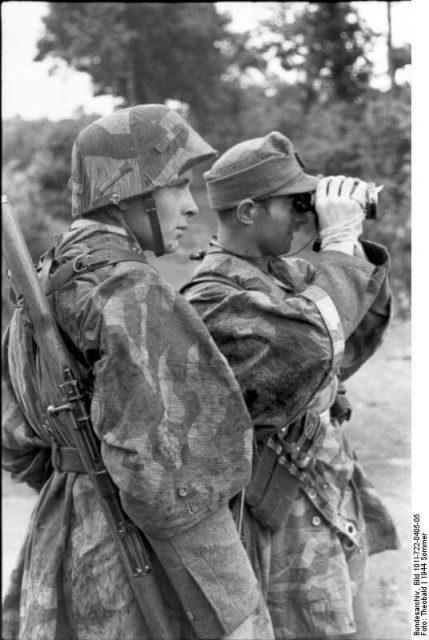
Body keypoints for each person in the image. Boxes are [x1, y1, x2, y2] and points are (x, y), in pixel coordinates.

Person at [2, 105, 275, 640]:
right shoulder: (129, 289)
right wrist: (237, 610)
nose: (192, 207)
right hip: (142, 555)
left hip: (60, 536)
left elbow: (13, 439)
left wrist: (79, 481)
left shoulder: (41, 284)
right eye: (178, 185)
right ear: (133, 191)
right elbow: (175, 478)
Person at [181, 131, 400, 640]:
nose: (307, 215)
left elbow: (353, 340)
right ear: (249, 211)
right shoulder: (214, 296)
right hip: (282, 524)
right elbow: (312, 348)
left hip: (331, 496)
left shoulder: (289, 274)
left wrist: (345, 243)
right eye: (295, 204)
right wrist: (339, 251)